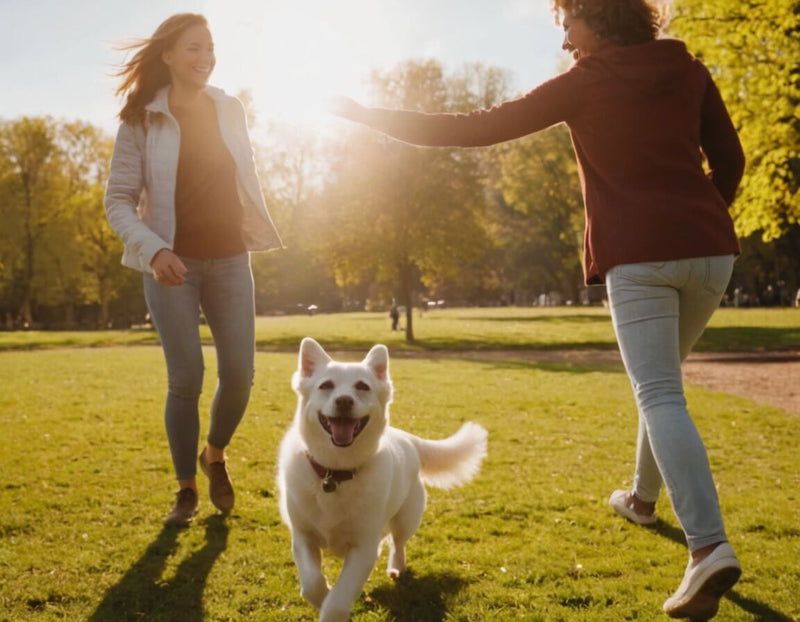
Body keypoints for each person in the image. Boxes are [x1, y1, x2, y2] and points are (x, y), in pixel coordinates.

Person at [330, 0, 744, 618]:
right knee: (662, 386)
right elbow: (731, 163)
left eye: (569, 26)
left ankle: (707, 545)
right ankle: (640, 498)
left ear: (599, 21)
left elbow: (475, 126)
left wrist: (368, 116)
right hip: (711, 251)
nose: (565, 41)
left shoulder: (587, 82)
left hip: (640, 254)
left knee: (659, 392)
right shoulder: (691, 71)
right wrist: (696, 219)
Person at [105, 13, 282, 527]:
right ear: (167, 56)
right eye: (192, 48)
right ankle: (185, 489)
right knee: (186, 379)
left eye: (209, 47)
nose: (204, 57)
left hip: (230, 258)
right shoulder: (139, 120)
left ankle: (215, 455)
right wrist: (154, 250)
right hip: (170, 267)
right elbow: (118, 200)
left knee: (241, 376)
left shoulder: (230, 109)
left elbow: (243, 174)